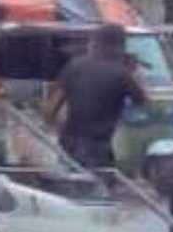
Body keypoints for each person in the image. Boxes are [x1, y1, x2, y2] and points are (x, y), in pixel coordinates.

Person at [48, 24, 147, 169]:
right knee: (98, 188)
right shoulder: (122, 74)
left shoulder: (74, 66)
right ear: (121, 46)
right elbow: (143, 100)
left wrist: (59, 127)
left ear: (95, 42)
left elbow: (50, 109)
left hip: (68, 144)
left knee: (68, 185)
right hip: (99, 148)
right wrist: (133, 71)